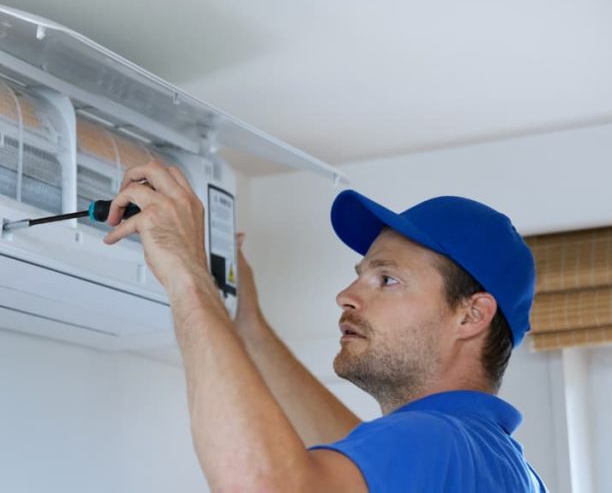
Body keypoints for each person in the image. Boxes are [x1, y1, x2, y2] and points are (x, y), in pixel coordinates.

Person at [103, 162, 548, 492]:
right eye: (360, 274)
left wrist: (186, 273)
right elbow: (357, 447)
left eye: (387, 279)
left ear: (471, 316)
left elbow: (263, 486)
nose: (347, 295)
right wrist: (249, 328)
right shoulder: (503, 465)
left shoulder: (437, 441)